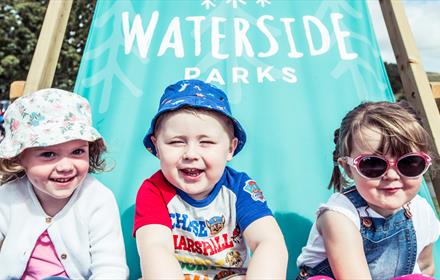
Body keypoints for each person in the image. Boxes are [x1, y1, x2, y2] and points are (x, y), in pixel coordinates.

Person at [134, 79, 288, 279]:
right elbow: (155, 249)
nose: (191, 154)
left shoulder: (240, 187)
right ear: (157, 147)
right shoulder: (154, 190)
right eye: (176, 142)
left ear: (230, 148)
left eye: (205, 142)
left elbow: (268, 242)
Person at [296, 101, 440, 279]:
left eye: (409, 162)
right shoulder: (339, 217)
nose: (392, 175)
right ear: (348, 168)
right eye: (373, 164)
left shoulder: (422, 211)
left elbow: (425, 266)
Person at [0, 89, 128, 279]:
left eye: (77, 152)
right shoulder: (9, 197)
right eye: (48, 154)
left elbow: (110, 268)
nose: (66, 166)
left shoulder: (97, 199)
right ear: (19, 158)